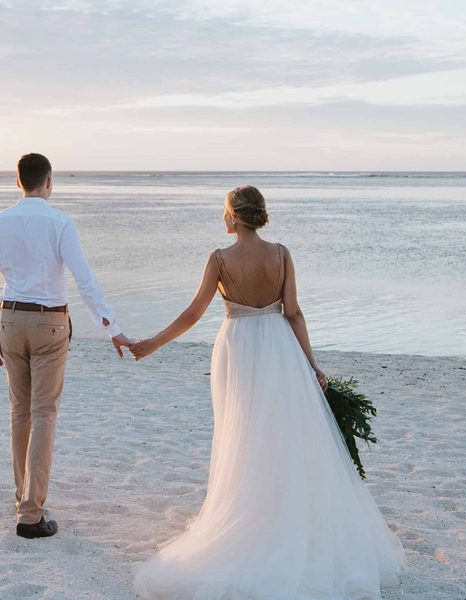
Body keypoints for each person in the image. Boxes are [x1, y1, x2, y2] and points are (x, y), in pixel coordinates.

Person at [130, 185, 405, 599]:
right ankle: (282, 515)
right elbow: (293, 312)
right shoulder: (281, 254)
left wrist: (152, 343)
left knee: (243, 436)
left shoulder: (220, 259)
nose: (223, 218)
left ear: (234, 218)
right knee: (284, 434)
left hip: (238, 346)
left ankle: (250, 514)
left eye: (224, 212)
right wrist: (312, 364)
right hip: (280, 346)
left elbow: (192, 313)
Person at [0, 153, 133, 539]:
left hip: (9, 318)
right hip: (49, 323)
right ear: (49, 181)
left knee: (19, 411)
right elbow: (84, 278)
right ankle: (30, 513)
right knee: (43, 414)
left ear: (18, 182)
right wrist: (112, 328)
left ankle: (23, 497)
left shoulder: (3, 221)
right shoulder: (60, 222)